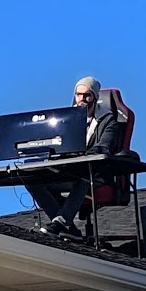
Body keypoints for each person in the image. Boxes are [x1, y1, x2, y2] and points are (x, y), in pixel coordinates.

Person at [27, 76, 123, 239]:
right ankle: (69, 230)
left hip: (97, 175)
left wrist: (83, 156)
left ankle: (60, 223)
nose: (82, 99)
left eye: (87, 95)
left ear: (95, 97)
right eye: (79, 95)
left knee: (84, 177)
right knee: (33, 181)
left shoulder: (108, 120)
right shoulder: (66, 119)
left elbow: (104, 147)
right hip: (68, 173)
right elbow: (56, 145)